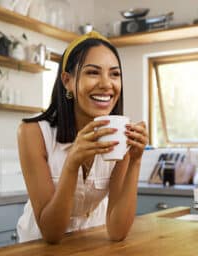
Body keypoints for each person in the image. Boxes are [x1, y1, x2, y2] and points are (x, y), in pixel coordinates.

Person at [16, 31, 148, 244]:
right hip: (38, 248)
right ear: (67, 81)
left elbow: (117, 232)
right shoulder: (32, 132)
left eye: (114, 74)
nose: (107, 84)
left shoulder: (119, 135)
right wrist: (72, 163)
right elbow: (51, 234)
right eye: (93, 73)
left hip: (90, 243)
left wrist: (135, 160)